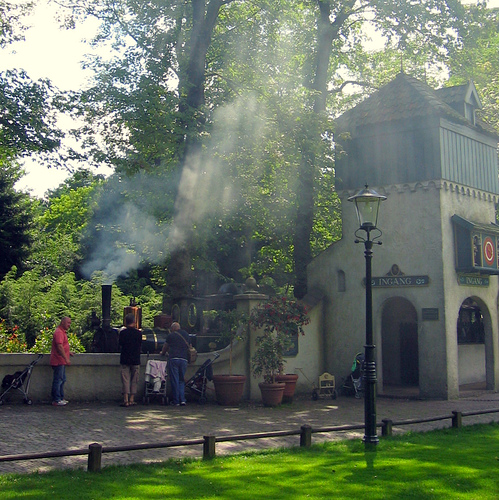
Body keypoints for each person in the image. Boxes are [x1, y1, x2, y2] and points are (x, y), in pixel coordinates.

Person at [160, 322, 190, 406]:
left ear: (173, 328)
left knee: (175, 380)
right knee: (181, 380)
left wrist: (162, 353)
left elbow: (165, 347)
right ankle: (183, 400)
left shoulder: (171, 335)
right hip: (184, 359)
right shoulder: (186, 334)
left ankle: (176, 401)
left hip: (174, 359)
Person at [119, 313, 142, 407]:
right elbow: (140, 344)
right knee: (134, 379)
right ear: (134, 321)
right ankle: (132, 399)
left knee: (125, 379)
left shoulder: (122, 333)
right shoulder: (138, 333)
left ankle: (126, 399)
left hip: (125, 358)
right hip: (135, 358)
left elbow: (120, 344)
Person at [50, 316, 74, 406]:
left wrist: (68, 352)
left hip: (61, 361)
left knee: (62, 379)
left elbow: (62, 346)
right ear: (63, 322)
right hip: (58, 360)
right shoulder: (59, 332)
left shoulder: (62, 332)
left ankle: (60, 397)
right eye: (68, 323)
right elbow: (59, 346)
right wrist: (66, 358)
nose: (69, 325)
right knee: (58, 380)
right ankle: (56, 399)